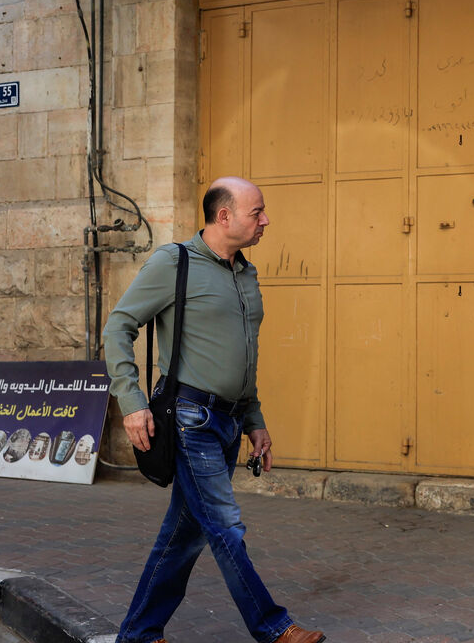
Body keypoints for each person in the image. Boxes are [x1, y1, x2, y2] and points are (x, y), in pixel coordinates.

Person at [103, 177, 325, 643]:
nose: (265, 220)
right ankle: (272, 627)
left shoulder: (246, 273)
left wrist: (254, 420)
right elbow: (119, 327)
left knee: (184, 534)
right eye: (256, 212)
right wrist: (132, 403)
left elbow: (245, 355)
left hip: (227, 420)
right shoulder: (174, 262)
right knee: (225, 524)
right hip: (189, 420)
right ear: (224, 216)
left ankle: (139, 633)